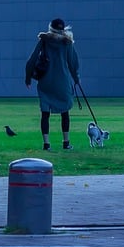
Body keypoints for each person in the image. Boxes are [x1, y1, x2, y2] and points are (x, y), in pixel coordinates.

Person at [24, 17, 81, 150]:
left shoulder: (44, 40)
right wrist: (76, 79)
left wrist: (28, 77)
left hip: (46, 82)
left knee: (45, 114)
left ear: (51, 28)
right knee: (65, 112)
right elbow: (73, 63)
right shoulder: (67, 43)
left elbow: (32, 59)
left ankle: (46, 144)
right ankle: (66, 142)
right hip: (63, 82)